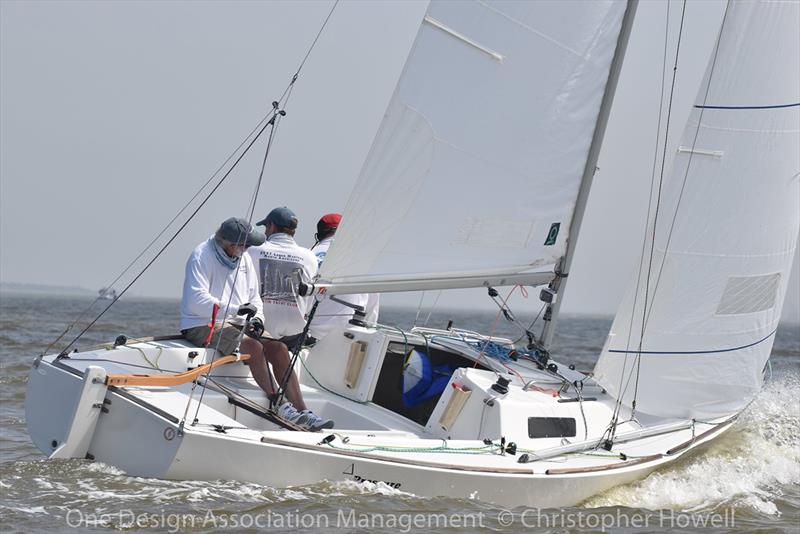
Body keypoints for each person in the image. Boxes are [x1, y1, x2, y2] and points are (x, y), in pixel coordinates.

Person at [180, 217, 332, 431]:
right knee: (253, 345)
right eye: (245, 245)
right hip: (202, 324)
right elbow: (197, 301)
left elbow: (255, 297)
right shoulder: (201, 256)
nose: (248, 249)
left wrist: (258, 318)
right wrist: (236, 310)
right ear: (229, 243)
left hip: (237, 322)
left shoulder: (243, 258)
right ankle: (279, 404)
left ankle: (302, 410)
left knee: (278, 348)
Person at [249, 206, 319, 350]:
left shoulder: (253, 250)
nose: (265, 231)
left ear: (272, 226)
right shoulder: (310, 256)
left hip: (260, 330)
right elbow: (310, 298)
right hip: (295, 335)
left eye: (266, 227)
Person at [309, 213, 380, 340]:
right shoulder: (364, 259)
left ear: (319, 234)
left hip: (309, 335)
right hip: (348, 337)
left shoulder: (309, 256)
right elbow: (372, 306)